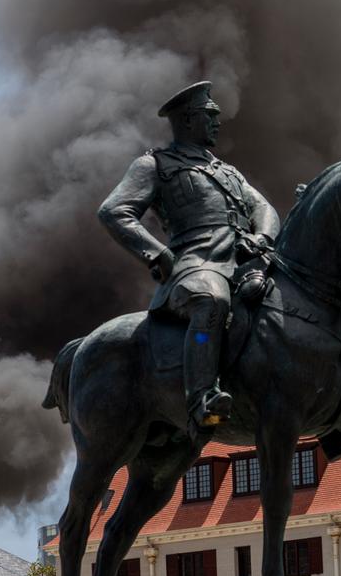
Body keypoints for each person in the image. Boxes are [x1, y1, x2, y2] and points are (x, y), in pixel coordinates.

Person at [97, 81, 280, 431]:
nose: (218, 122)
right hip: (195, 265)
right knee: (211, 302)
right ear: (187, 120)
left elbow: (265, 208)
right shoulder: (156, 165)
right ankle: (202, 400)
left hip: (245, 260)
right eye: (210, 115)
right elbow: (114, 211)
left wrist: (261, 236)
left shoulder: (227, 171)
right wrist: (158, 254)